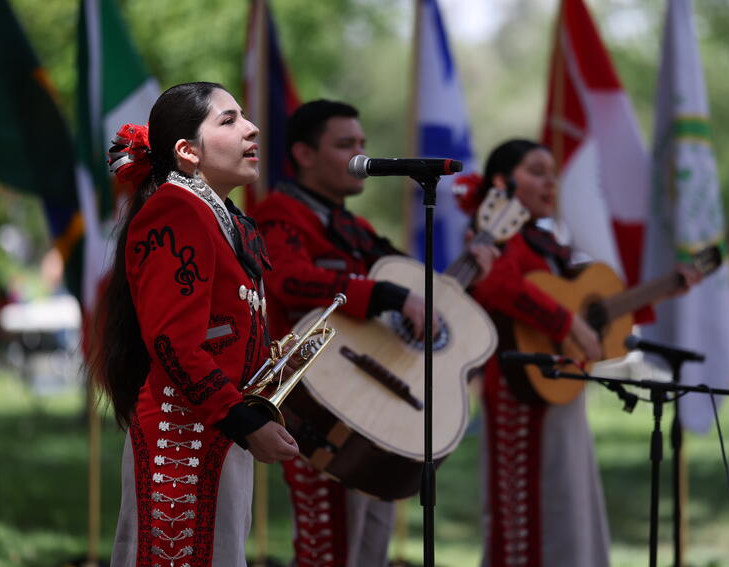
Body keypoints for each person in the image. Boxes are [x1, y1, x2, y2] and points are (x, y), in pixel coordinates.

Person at [251, 99, 497, 567]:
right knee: (330, 548)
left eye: (362, 143)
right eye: (346, 144)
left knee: (370, 546)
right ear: (303, 154)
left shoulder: (354, 227)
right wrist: (383, 295)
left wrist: (470, 268)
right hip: (316, 399)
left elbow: (413, 291)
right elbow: (289, 280)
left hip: (371, 403)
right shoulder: (277, 214)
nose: (361, 154)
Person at [92, 81, 299, 567]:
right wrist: (243, 421)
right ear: (187, 151)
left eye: (244, 116)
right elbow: (173, 343)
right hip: (182, 436)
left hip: (215, 426)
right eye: (228, 121)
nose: (251, 129)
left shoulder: (218, 214)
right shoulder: (176, 209)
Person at [466, 139, 700, 567]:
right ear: (501, 182)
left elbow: (586, 306)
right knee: (522, 516)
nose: (550, 182)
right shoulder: (491, 234)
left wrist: (663, 290)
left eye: (553, 172)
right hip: (517, 393)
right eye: (537, 171)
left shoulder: (544, 242)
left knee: (570, 505)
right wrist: (566, 323)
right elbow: (497, 286)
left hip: (562, 385)